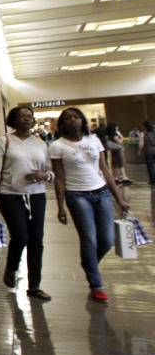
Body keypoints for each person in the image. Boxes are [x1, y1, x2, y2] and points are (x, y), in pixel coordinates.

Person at [50, 107, 130, 303]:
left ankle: (88, 262)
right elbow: (59, 178)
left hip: (101, 192)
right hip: (77, 195)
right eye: (68, 118)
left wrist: (119, 198)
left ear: (83, 121)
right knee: (89, 240)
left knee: (107, 239)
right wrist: (60, 206)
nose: (73, 120)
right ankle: (96, 285)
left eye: (76, 117)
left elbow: (105, 169)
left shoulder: (94, 140)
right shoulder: (57, 146)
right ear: (62, 124)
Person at [0, 106, 54, 300]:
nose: (27, 119)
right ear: (14, 120)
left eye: (30, 117)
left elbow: (52, 171)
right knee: (21, 236)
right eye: (22, 116)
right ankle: (12, 266)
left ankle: (35, 285)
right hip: (10, 194)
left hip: (37, 195)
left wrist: (45, 175)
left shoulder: (41, 144)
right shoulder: (5, 141)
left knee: (37, 240)